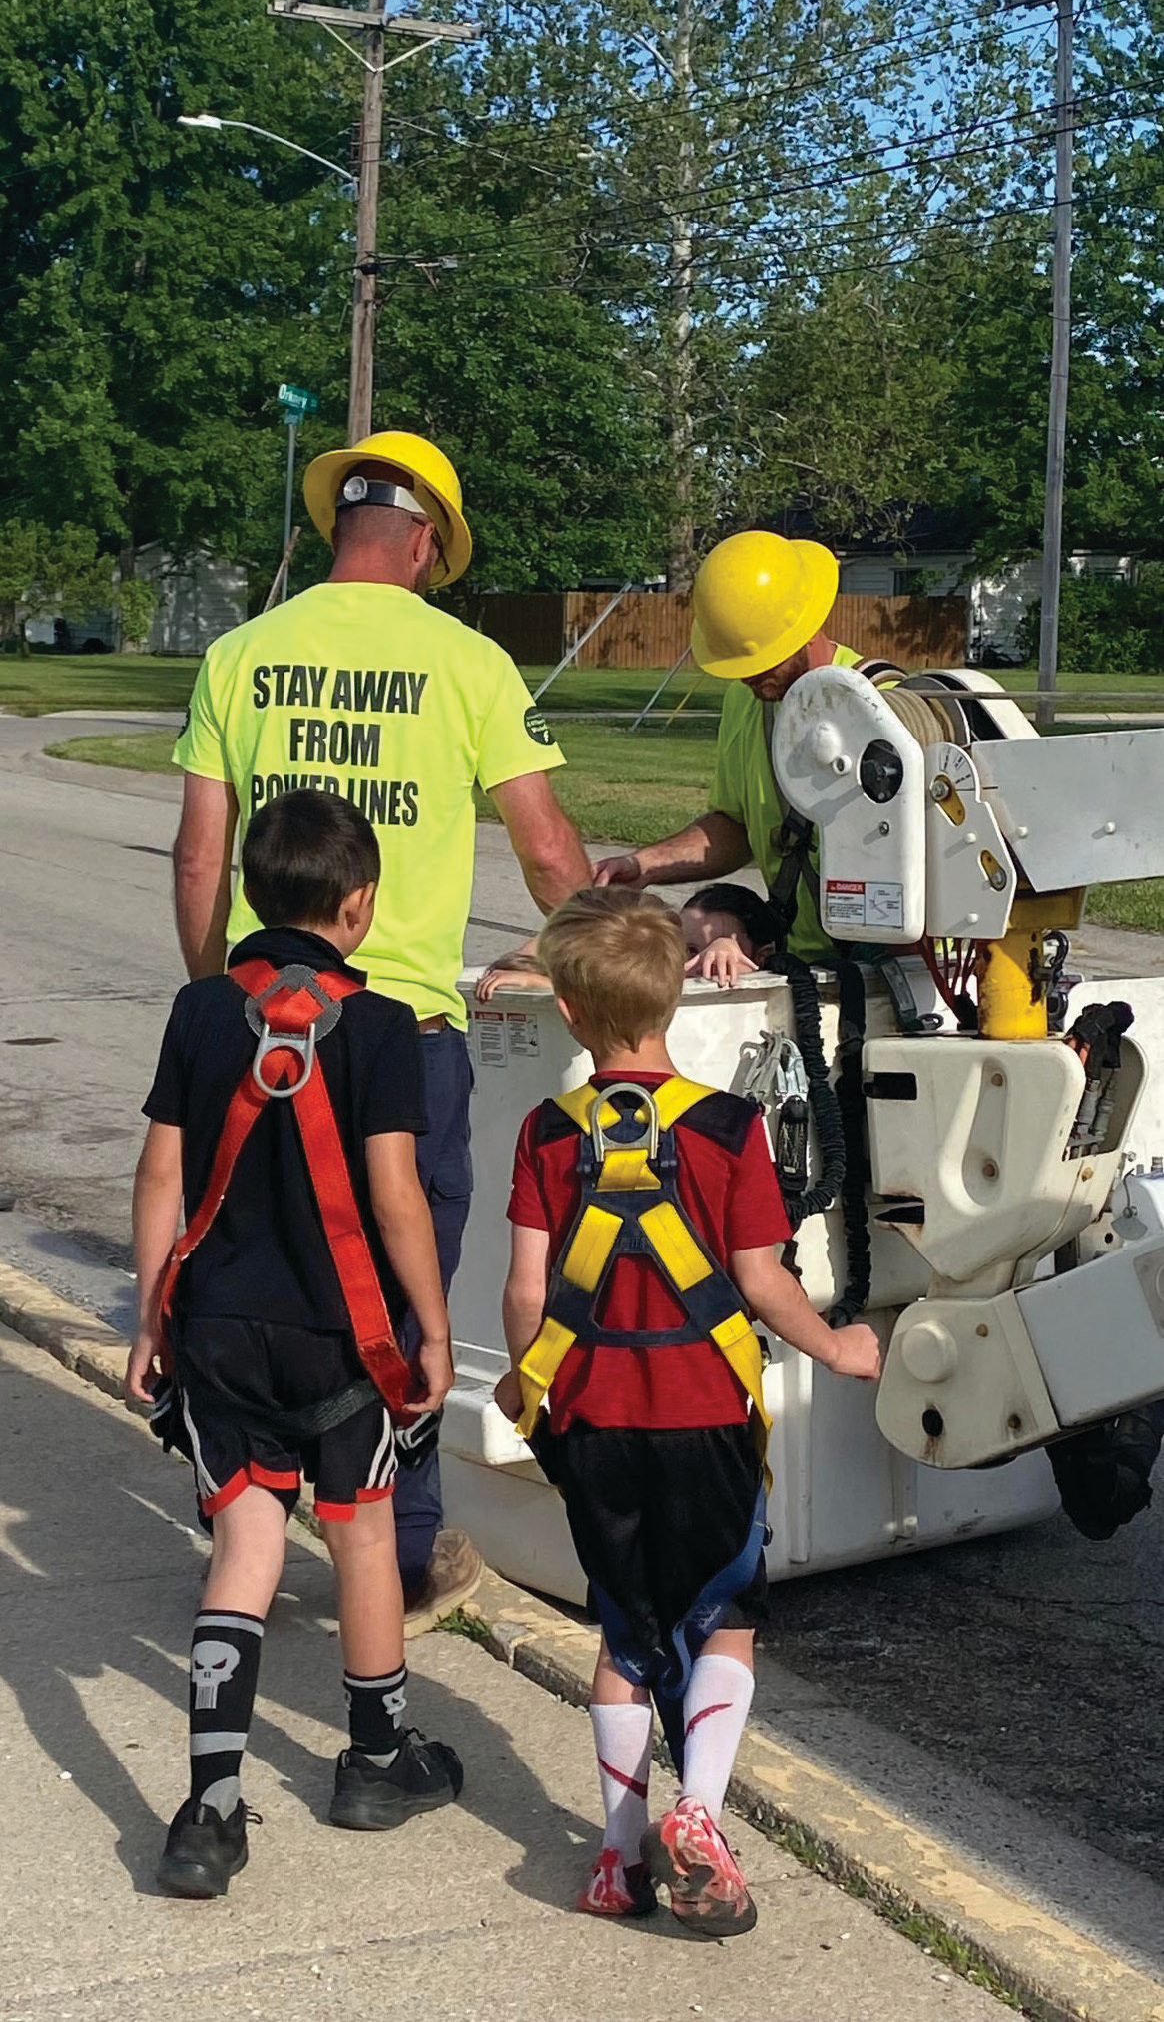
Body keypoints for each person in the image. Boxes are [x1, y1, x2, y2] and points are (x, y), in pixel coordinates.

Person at [170, 430, 592, 1627]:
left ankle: (244, 1500)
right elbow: (547, 842)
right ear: (422, 541)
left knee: (257, 1255)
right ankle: (401, 1553)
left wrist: (217, 1006)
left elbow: (202, 853)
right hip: (402, 1032)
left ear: (340, 530)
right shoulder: (466, 662)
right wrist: (609, 964)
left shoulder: (241, 653)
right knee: (402, 1289)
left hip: (263, 1025)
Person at [494, 888, 881, 1936]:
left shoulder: (545, 1131)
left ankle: (616, 1863)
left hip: (593, 1419)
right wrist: (839, 1344)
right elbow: (762, 1282)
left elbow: (528, 1289)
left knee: (624, 1629)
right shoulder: (728, 1129)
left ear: (569, 1013)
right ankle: (700, 1814)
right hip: (706, 1412)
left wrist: (526, 1377)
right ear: (675, 998)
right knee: (726, 1615)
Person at [127, 790, 464, 1898]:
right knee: (362, 1537)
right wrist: (434, 1326)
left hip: (217, 1328)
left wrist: (149, 1318)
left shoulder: (200, 1010)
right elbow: (397, 1194)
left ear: (250, 897)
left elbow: (163, 1174)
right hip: (341, 1339)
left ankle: (209, 1812)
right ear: (360, 906)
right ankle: (375, 1763)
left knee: (245, 1548)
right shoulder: (376, 1026)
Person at [594, 531, 869, 962]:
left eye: (761, 662)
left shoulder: (880, 704)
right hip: (803, 961)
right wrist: (644, 865)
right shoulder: (748, 699)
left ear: (805, 628)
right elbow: (736, 827)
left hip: (900, 967)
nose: (748, 677)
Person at [476, 881, 777, 1001]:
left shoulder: (766, 990)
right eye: (685, 948)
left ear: (761, 958)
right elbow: (615, 987)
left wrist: (726, 946)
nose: (692, 965)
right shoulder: (666, 971)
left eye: (710, 956)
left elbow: (621, 1002)